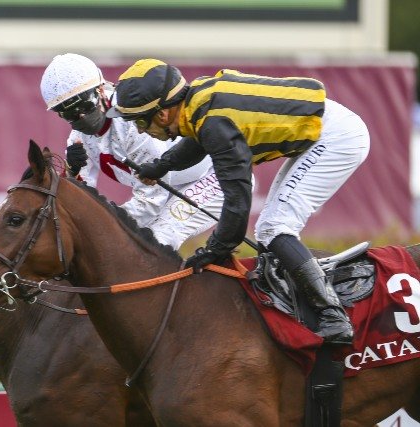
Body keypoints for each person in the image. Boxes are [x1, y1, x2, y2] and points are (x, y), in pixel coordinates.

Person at [106, 59, 370, 345]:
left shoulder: (215, 125)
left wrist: (215, 248)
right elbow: (196, 142)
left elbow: (237, 202)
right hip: (326, 127)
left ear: (163, 113)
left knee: (274, 228)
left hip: (334, 137)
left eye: (140, 121)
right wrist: (161, 166)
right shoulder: (197, 103)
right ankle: (296, 296)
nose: (140, 131)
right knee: (269, 229)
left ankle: (334, 317)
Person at [40, 53, 234, 251]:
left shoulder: (131, 124)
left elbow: (150, 201)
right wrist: (71, 172)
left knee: (158, 239)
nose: (81, 116)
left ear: (100, 89)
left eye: (85, 105)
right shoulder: (78, 139)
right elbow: (78, 203)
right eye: (69, 113)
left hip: (214, 176)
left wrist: (101, 227)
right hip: (166, 188)